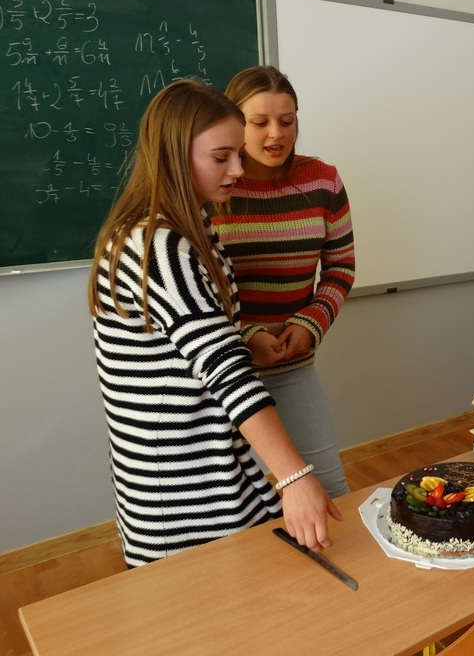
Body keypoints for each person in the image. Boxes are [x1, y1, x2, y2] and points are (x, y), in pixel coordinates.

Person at [88, 78, 342, 567]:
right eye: (222, 157)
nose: (239, 170)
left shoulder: (193, 228)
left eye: (238, 155)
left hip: (211, 468)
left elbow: (207, 342)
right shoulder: (159, 248)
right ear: (172, 157)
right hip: (183, 492)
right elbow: (225, 372)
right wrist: (294, 477)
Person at [210, 66, 356, 498]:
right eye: (259, 122)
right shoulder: (213, 188)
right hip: (222, 370)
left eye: (287, 120)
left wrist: (311, 323)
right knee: (234, 501)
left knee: (327, 486)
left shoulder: (322, 179)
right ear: (234, 124)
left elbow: (341, 266)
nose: (276, 134)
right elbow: (199, 288)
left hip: (292, 366)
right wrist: (246, 334)